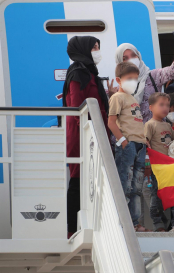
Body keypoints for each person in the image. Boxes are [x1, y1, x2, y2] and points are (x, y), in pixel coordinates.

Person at [63, 36, 109, 238]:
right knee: (78, 180)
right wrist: (87, 131)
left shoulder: (90, 72)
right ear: (83, 50)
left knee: (93, 179)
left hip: (95, 133)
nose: (97, 51)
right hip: (82, 134)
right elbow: (76, 106)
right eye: (94, 47)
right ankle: (72, 228)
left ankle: (91, 224)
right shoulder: (78, 72)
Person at [108, 62, 150, 232]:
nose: (133, 81)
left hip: (140, 145)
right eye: (129, 79)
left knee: (137, 186)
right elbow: (111, 122)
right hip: (128, 145)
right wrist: (123, 141)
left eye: (135, 78)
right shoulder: (117, 98)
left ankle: (135, 222)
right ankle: (124, 223)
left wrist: (143, 139)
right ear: (119, 80)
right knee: (125, 184)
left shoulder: (132, 99)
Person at [114, 41, 174, 123]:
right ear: (120, 62)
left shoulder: (153, 76)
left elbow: (172, 71)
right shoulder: (119, 88)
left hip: (156, 131)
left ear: (138, 56)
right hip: (132, 133)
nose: (131, 59)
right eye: (125, 58)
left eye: (133, 55)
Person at [145, 92, 174, 231]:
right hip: (156, 168)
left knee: (169, 196)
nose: (165, 108)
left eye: (167, 105)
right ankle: (158, 224)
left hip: (169, 167)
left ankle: (170, 222)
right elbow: (146, 143)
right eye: (161, 105)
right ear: (151, 107)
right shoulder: (150, 124)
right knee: (156, 196)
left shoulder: (168, 126)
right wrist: (147, 163)